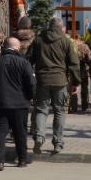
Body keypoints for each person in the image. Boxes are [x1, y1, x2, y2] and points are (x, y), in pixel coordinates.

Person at [31, 17, 80, 153]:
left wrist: (29, 76)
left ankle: (39, 137)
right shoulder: (65, 41)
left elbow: (29, 58)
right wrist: (76, 82)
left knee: (41, 110)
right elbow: (74, 63)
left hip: (42, 80)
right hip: (60, 81)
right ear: (61, 28)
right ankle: (58, 142)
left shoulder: (39, 40)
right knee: (59, 112)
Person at [0, 37, 36, 170]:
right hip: (19, 103)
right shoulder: (23, 62)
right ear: (18, 48)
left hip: (0, 102)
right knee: (20, 131)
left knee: (0, 131)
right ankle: (22, 159)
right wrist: (30, 97)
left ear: (4, 47)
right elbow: (31, 83)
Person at [71, 37, 91, 112]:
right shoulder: (84, 46)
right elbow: (89, 58)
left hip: (73, 70)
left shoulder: (71, 45)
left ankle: (73, 105)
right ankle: (85, 104)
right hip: (83, 69)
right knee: (84, 88)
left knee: (73, 87)